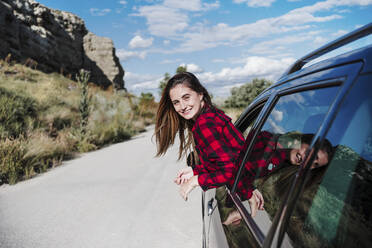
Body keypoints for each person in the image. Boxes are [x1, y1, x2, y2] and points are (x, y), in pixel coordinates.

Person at [154, 72, 264, 216]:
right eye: (176, 102)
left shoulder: (205, 124)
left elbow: (230, 171)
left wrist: (195, 180)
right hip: (253, 182)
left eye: (186, 97)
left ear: (200, 94)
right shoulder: (212, 115)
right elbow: (229, 158)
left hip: (253, 185)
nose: (182, 106)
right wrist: (195, 170)